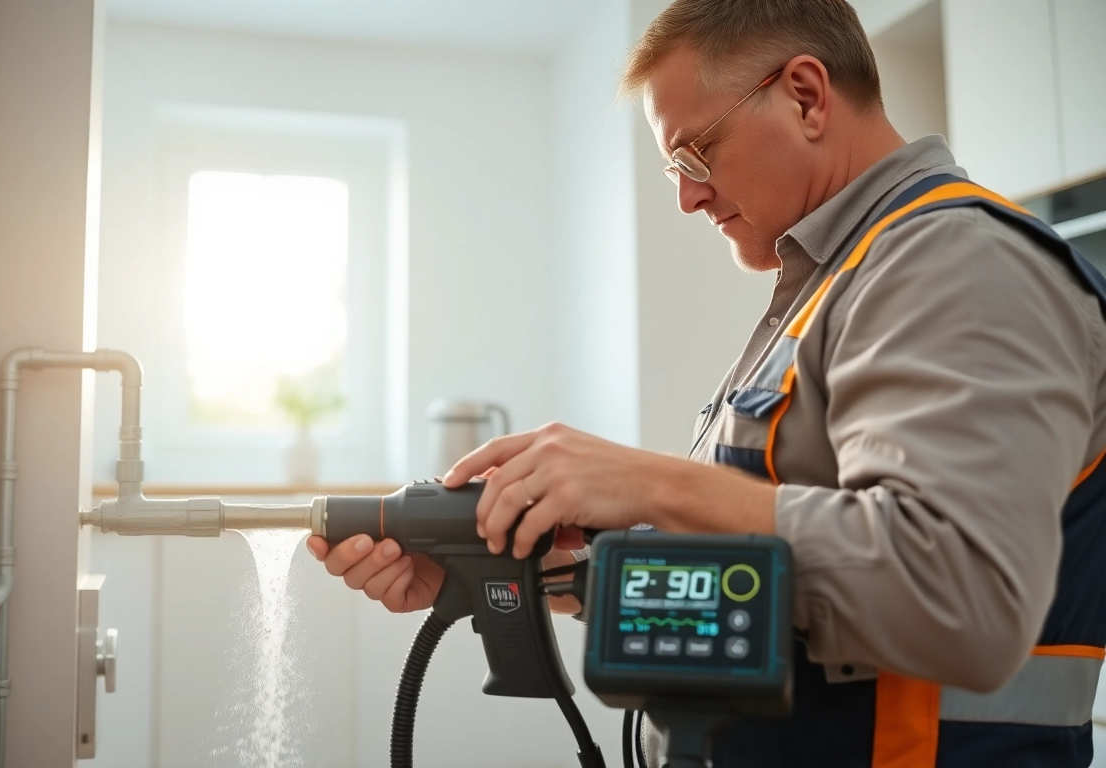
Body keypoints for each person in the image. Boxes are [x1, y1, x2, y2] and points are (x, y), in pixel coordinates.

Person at [307, 0, 1106, 765]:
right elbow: (769, 576)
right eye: (673, 171)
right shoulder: (837, 289)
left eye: (695, 154)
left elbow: (958, 596)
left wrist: (652, 483)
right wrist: (529, 571)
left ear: (805, 95)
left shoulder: (958, 264)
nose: (688, 197)